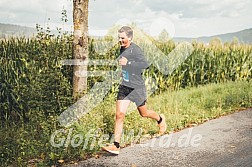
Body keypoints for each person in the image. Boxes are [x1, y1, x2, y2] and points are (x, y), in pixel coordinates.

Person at [102, 26, 167, 155]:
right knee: (119, 115)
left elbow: (145, 64)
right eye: (119, 37)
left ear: (130, 38)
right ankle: (116, 145)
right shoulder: (122, 48)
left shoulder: (135, 50)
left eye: (123, 38)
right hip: (125, 87)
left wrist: (129, 64)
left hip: (137, 88)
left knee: (144, 113)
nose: (120, 40)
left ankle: (160, 119)